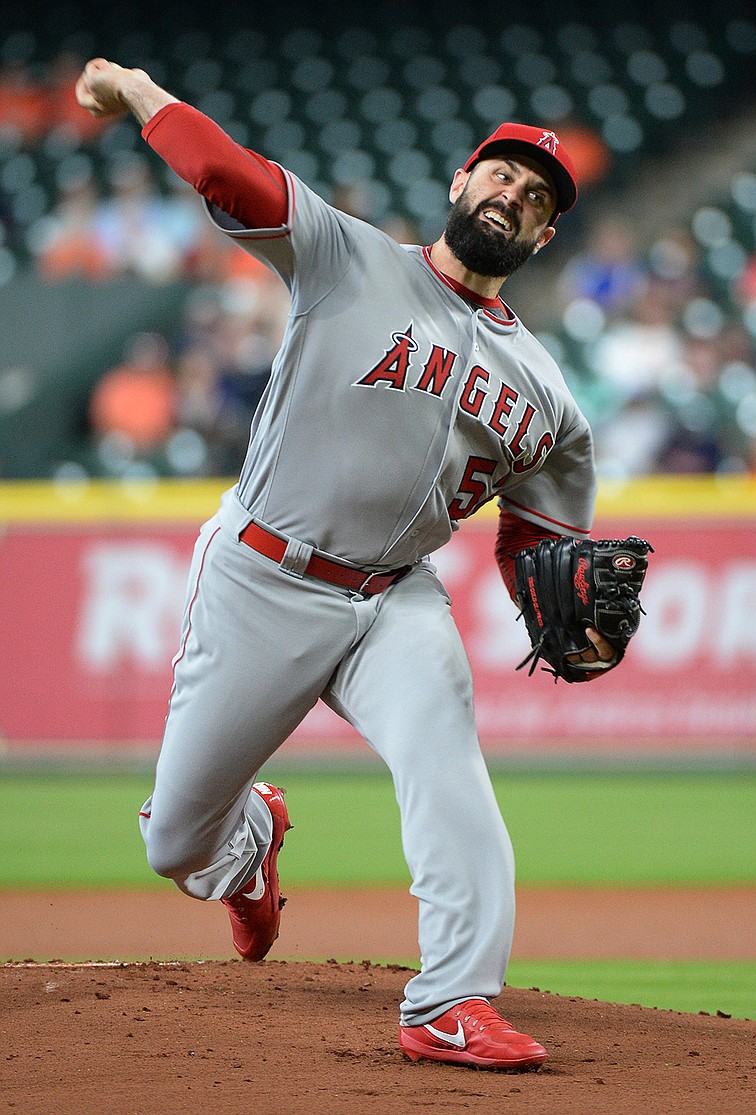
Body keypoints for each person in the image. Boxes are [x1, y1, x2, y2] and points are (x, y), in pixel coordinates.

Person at [76, 57, 618, 1073]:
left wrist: (572, 615)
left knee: (449, 775)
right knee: (174, 843)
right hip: (260, 578)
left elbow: (540, 544)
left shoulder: (546, 392)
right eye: (499, 176)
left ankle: (449, 1000)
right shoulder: (345, 254)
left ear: (542, 238)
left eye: (534, 197)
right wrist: (141, 93)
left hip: (394, 602)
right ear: (460, 185)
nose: (512, 194)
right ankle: (247, 843)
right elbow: (230, 176)